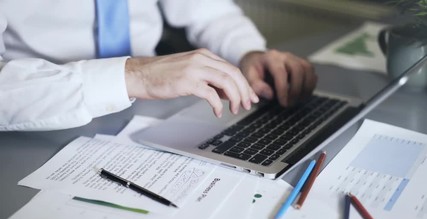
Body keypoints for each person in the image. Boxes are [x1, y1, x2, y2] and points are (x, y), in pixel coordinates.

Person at [0, 0, 317, 131]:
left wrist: (247, 51)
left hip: (149, 115)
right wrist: (135, 76)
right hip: (41, 120)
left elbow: (208, 11)